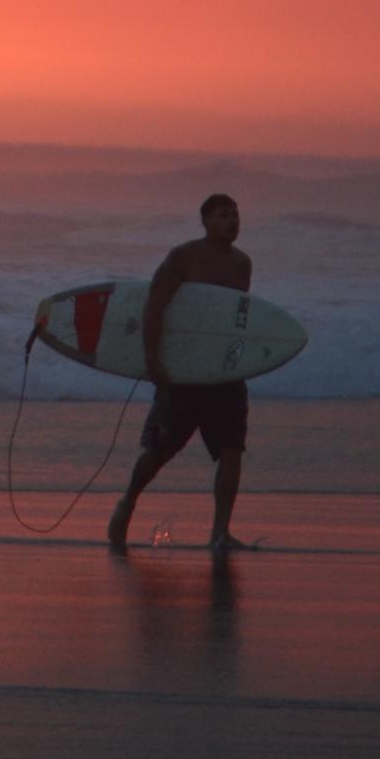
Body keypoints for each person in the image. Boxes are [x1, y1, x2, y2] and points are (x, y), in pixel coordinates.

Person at [107, 192, 250, 553]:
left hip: (223, 374)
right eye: (223, 215)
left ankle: (220, 531)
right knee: (161, 449)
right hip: (184, 372)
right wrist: (154, 360)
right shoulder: (183, 257)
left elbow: (236, 322)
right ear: (204, 221)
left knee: (232, 449)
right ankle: (127, 503)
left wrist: (238, 363)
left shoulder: (242, 264)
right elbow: (154, 305)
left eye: (235, 215)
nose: (232, 221)